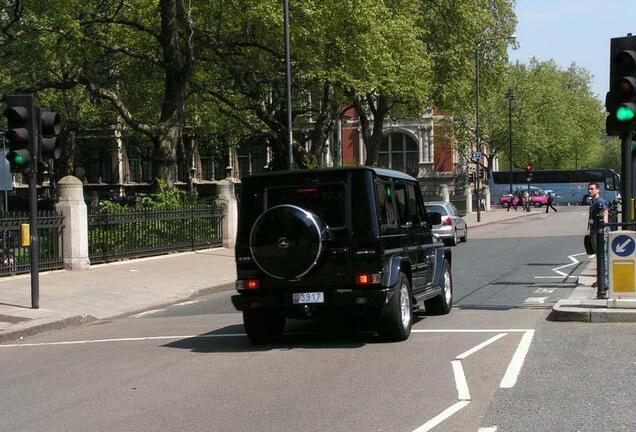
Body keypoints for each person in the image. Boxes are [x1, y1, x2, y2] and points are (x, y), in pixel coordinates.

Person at [587, 182, 609, 298]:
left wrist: (604, 224)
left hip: (600, 232)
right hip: (594, 231)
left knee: (603, 256)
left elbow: (605, 213)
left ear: (598, 190)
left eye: (592, 189)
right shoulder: (593, 201)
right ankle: (600, 280)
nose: (590, 191)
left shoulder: (600, 201)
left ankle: (604, 282)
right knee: (599, 256)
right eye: (589, 189)